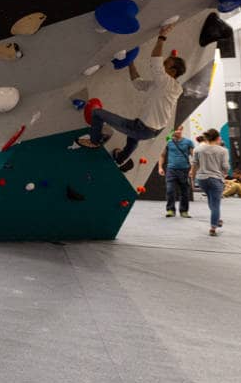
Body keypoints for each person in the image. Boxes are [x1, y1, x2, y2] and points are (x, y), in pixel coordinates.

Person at [78, 23, 186, 169]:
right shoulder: (164, 86)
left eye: (166, 64)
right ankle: (120, 158)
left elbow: (155, 62)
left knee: (97, 113)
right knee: (133, 140)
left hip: (143, 128)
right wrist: (130, 63)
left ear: (173, 72)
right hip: (151, 129)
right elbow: (138, 84)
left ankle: (95, 141)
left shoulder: (167, 84)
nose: (162, 65)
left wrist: (162, 37)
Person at [192, 128, 229, 236]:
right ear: (217, 138)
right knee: (216, 204)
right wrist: (224, 174)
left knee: (211, 200)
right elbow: (226, 167)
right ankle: (213, 227)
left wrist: (192, 180)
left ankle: (216, 220)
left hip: (202, 179)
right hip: (216, 179)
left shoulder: (198, 149)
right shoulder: (223, 150)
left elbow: (194, 165)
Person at [158, 125, 194, 218]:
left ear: (181, 129)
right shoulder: (168, 142)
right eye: (174, 130)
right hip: (171, 169)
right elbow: (162, 155)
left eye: (178, 130)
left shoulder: (188, 142)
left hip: (184, 169)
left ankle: (184, 211)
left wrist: (192, 169)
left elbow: (194, 157)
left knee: (184, 191)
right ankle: (170, 210)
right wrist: (160, 167)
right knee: (170, 190)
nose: (175, 132)